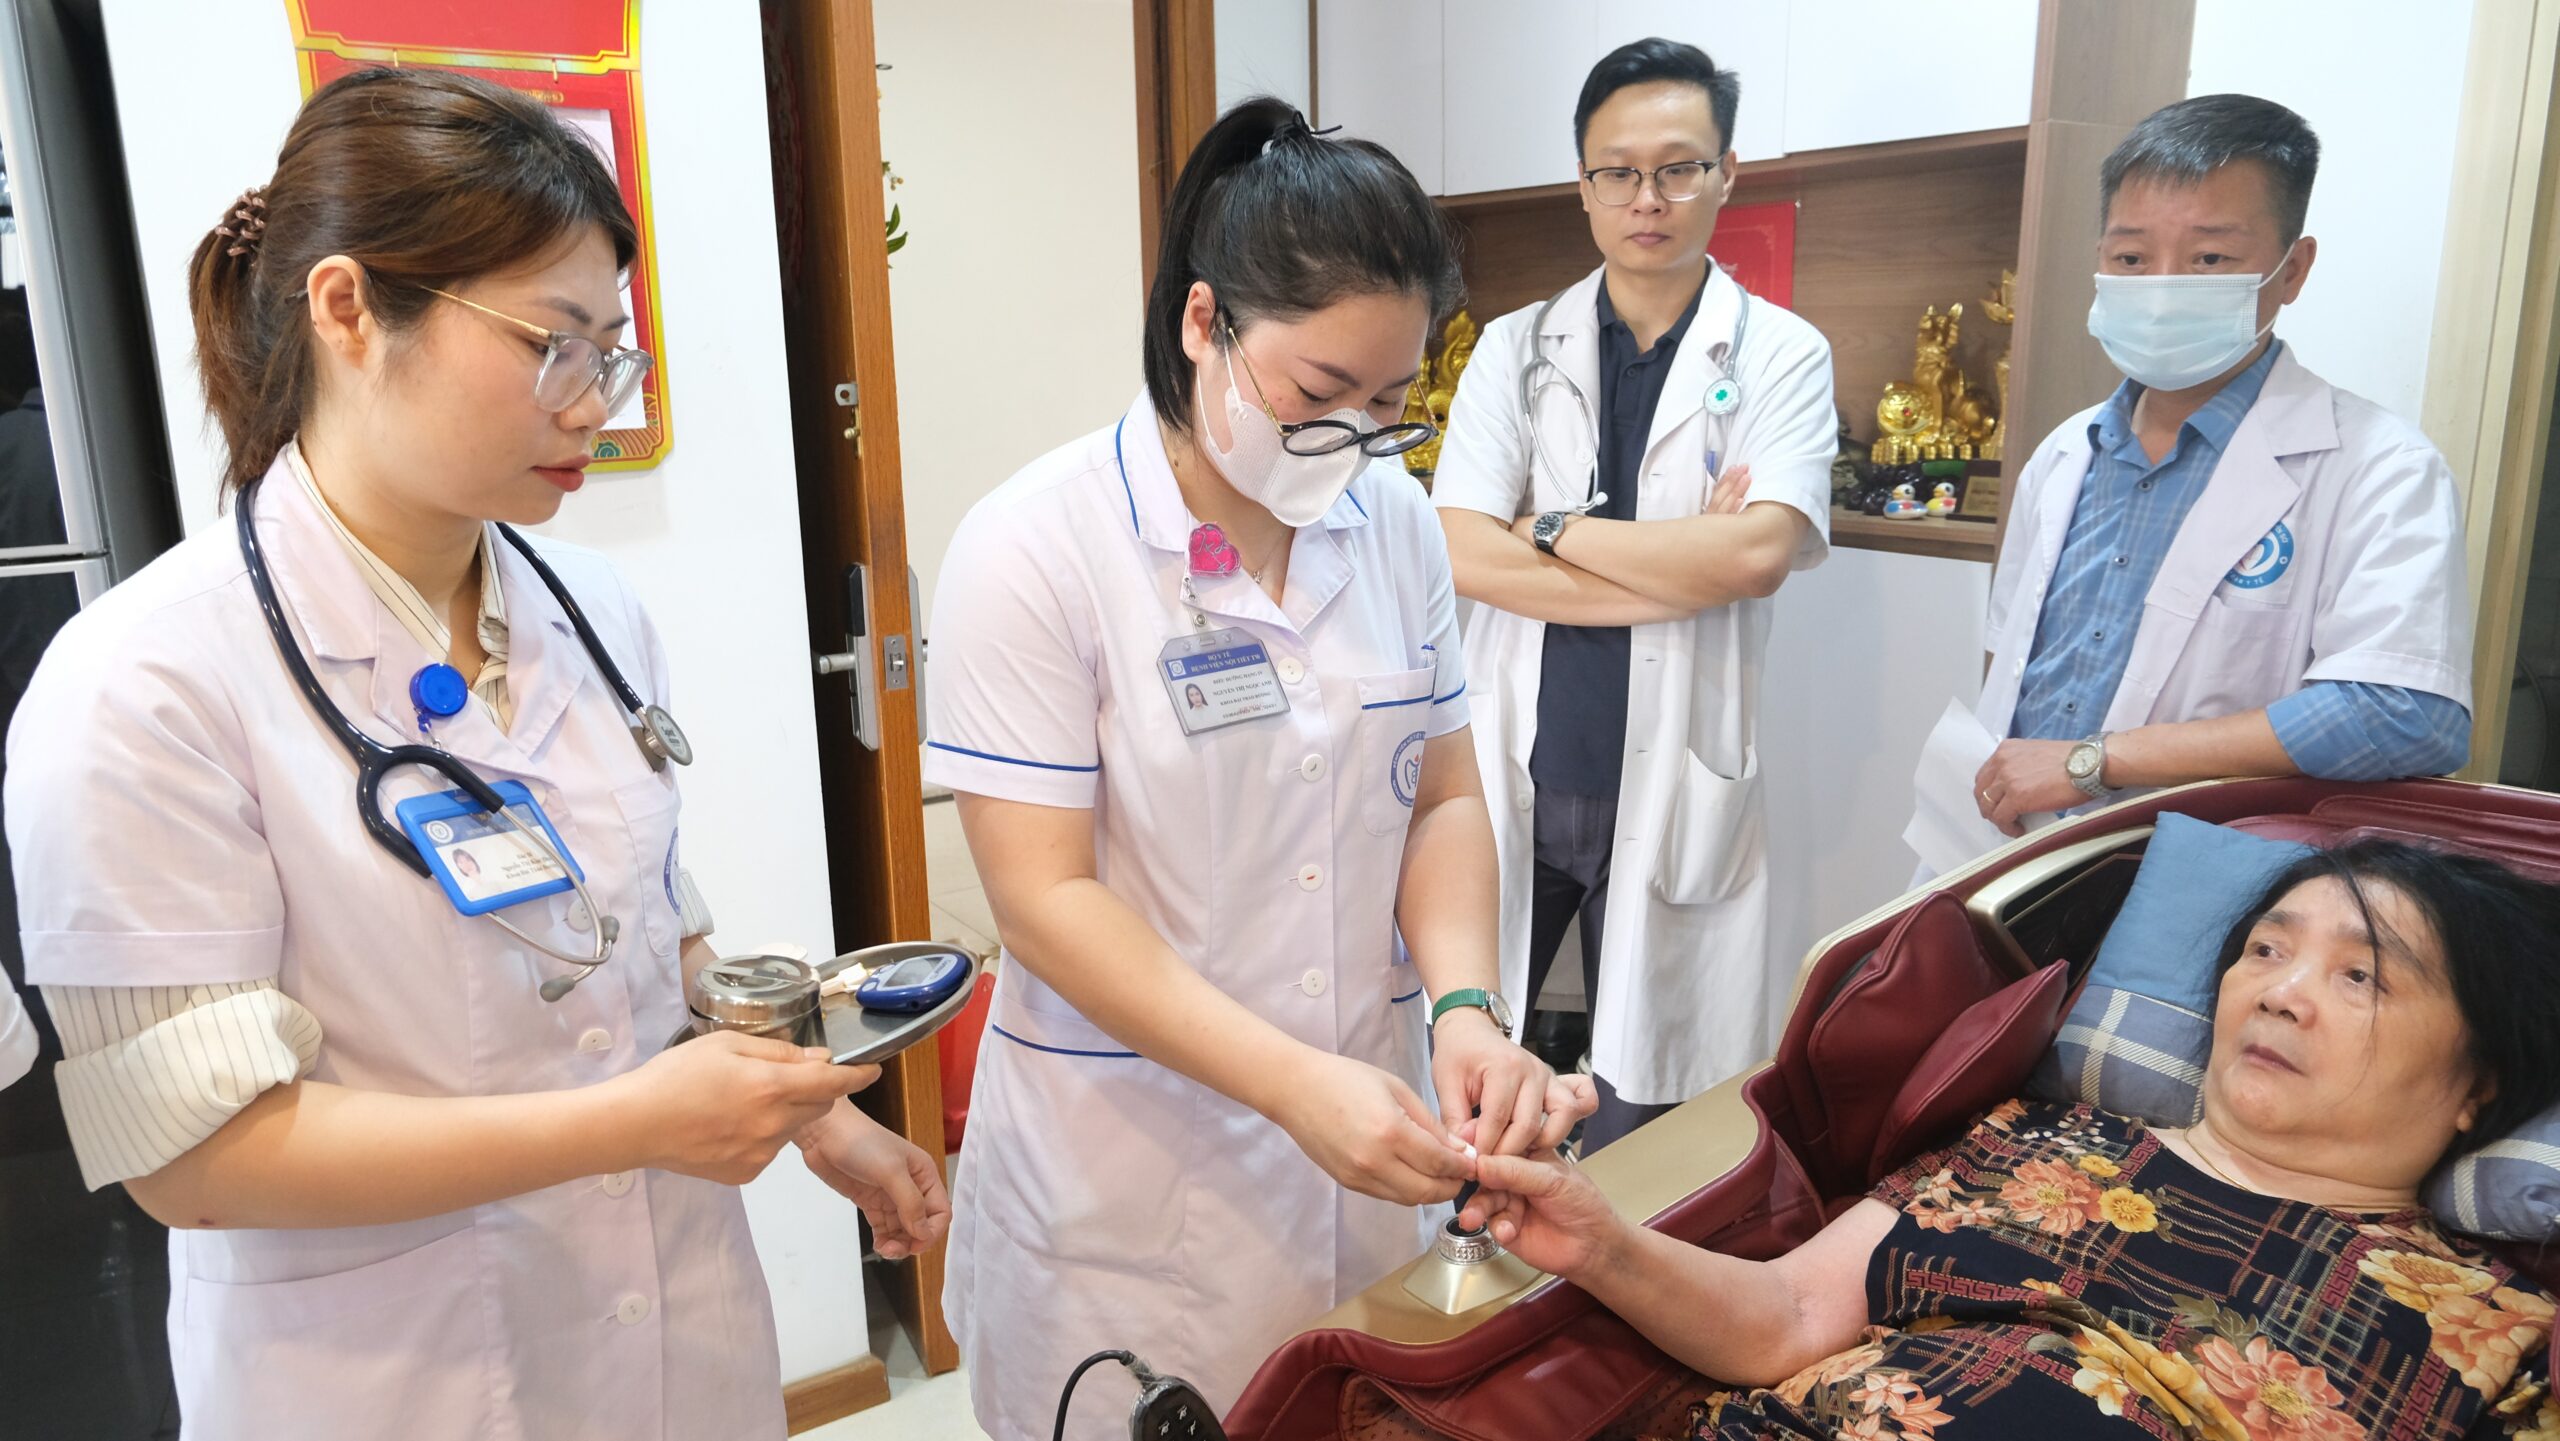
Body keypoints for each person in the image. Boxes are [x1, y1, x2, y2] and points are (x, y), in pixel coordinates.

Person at [1, 69, 946, 1439]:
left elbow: (652, 937)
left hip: (680, 1346)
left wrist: (804, 1109)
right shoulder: (144, 684)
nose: (595, 406)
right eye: (553, 344)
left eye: (611, 355)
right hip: (388, 1383)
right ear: (346, 310)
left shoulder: (592, 612)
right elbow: (195, 1157)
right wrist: (633, 1124)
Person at [924, 96, 1595, 1439]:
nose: (1353, 437)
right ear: (1203, 322)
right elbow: (1044, 900)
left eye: (1389, 403)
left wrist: (1466, 1010)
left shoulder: (1395, 525)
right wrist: (1290, 1083)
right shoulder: (1034, 546)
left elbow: (1442, 797)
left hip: (1360, 1153)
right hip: (1125, 1179)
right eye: (1317, 393)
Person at [1456, 839, 2560, 1438]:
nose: (2280, 993)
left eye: (2361, 976)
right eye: (2265, 951)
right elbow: (1786, 1315)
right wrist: (1601, 1241)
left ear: (2481, 1083)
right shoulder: (2039, 1139)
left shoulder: (2502, 1336)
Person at [1431, 38, 1840, 1151]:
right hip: (1520, 764)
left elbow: (1756, 557)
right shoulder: (1514, 347)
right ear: (1583, 183)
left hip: (1674, 781)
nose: (1645, 199)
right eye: (1617, 172)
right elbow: (1459, 549)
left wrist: (1548, 526)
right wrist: (1681, 561)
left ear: (1726, 173)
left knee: (1648, 1113)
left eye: (1677, 169)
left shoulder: (1781, 354)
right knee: (1468, 1069)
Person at [1929, 95, 2472, 856]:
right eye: (2131, 259)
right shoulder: (2063, 453)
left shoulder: (2381, 468)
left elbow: (2403, 712)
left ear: (2293, 270)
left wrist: (2096, 762)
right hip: (2007, 855)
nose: (2162, 287)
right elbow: (2011, 661)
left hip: (2207, 873)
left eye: (2210, 259)